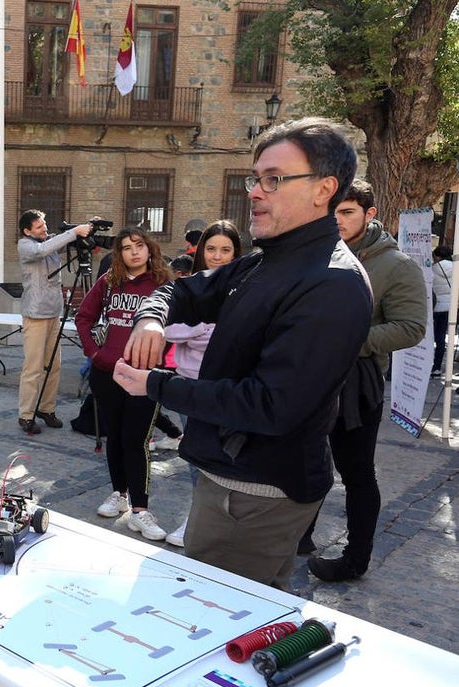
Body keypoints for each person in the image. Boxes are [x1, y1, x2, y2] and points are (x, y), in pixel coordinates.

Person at [114, 117, 373, 590]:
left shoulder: (333, 283)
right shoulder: (268, 260)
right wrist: (151, 317)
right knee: (248, 624)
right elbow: (186, 292)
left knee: (212, 623)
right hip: (234, 479)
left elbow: (271, 406)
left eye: (274, 180)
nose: (255, 191)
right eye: (256, 178)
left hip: (256, 491)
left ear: (324, 190)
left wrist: (155, 384)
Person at [301, 179, 426, 581]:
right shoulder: (318, 253)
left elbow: (410, 328)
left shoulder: (396, 265)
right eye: (332, 212)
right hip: (308, 377)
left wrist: (348, 343)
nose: (337, 220)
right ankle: (299, 536)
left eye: (347, 212)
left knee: (356, 473)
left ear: (369, 214)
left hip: (357, 386)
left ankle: (356, 559)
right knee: (304, 460)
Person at [75, 226, 173, 541]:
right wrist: (95, 355)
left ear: (149, 249)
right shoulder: (108, 282)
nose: (133, 251)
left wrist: (161, 359)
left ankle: (140, 511)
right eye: (126, 247)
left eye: (139, 245)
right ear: (119, 253)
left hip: (145, 377)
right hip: (108, 374)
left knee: (137, 441)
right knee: (115, 437)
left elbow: (177, 327)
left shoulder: (163, 285)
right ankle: (119, 494)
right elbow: (83, 318)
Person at [161, 220, 245, 547]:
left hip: (228, 386)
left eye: (226, 250)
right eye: (212, 249)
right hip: (190, 385)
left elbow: (241, 336)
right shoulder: (190, 286)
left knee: (227, 458)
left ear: (237, 253)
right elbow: (169, 329)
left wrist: (206, 333)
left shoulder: (246, 286)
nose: (218, 256)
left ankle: (224, 522)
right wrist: (200, 332)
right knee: (196, 455)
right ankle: (197, 517)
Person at [16, 210, 93, 433]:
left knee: (54, 366)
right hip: (35, 315)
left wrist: (87, 226)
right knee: (33, 368)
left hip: (54, 313)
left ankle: (46, 408)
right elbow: (43, 249)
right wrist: (74, 233)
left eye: (45, 225)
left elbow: (55, 241)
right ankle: (26, 414)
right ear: (27, 231)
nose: (45, 229)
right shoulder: (26, 245)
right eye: (39, 227)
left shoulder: (47, 241)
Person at [431, 245, 454, 377]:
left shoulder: (432, 269)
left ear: (438, 257)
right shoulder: (456, 268)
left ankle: (429, 363)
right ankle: (437, 367)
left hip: (435, 307)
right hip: (448, 308)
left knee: (430, 338)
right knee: (441, 338)